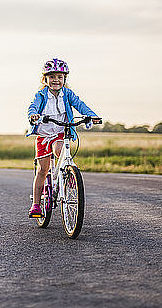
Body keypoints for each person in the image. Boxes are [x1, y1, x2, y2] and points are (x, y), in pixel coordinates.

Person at [25, 58, 99, 218]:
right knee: (43, 170)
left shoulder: (68, 94)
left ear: (65, 78)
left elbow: (80, 104)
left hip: (61, 131)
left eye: (59, 77)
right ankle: (36, 205)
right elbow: (33, 107)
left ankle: (69, 173)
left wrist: (91, 115)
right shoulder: (41, 95)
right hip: (44, 134)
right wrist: (33, 115)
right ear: (45, 79)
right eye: (52, 77)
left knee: (60, 150)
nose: (56, 80)